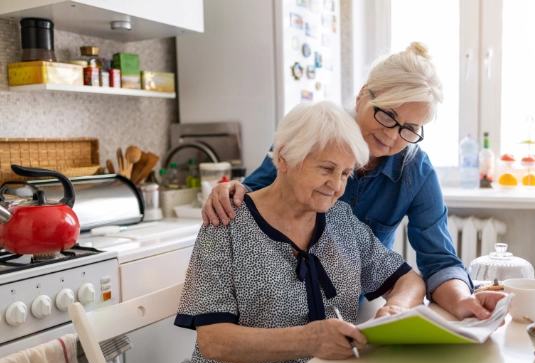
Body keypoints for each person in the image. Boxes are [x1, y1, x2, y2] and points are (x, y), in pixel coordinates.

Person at [201, 42, 506, 321]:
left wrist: (463, 300)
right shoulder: (313, 134)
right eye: (387, 115)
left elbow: (439, 261)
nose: (390, 134)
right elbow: (255, 195)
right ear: (363, 95)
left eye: (409, 128)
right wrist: (229, 191)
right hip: (276, 309)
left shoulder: (416, 171)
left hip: (350, 309)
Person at [175, 101, 426, 363]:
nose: (336, 185)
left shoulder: (341, 220)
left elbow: (409, 281)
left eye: (345, 173)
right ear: (283, 157)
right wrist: (308, 340)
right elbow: (214, 342)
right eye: (326, 169)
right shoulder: (226, 221)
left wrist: (396, 309)